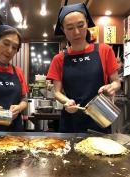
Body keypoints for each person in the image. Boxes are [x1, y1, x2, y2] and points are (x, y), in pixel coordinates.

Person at [47, 3, 121, 133]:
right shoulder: (59, 59)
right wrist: (66, 101)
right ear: (63, 30)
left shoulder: (104, 50)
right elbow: (56, 92)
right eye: (69, 28)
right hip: (71, 122)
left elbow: (116, 82)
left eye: (80, 26)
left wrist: (111, 87)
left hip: (99, 118)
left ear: (87, 23)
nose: (76, 32)